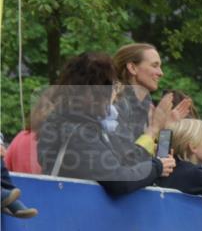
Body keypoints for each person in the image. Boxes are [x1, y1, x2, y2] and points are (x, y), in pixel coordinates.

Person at [37, 52, 175, 195]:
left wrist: (156, 162)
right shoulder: (77, 132)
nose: (114, 94)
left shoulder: (79, 125)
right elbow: (118, 179)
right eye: (112, 86)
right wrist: (157, 167)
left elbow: (124, 163)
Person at [111, 43, 192, 161]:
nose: (161, 73)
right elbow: (127, 160)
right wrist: (154, 128)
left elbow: (160, 163)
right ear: (132, 68)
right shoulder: (115, 105)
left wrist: (166, 129)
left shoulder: (147, 106)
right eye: (155, 65)